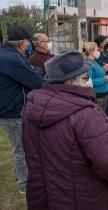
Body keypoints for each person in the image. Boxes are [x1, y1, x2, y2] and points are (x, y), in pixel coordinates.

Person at [22, 50, 108, 210]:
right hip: (85, 199)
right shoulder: (86, 114)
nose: (89, 82)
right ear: (70, 82)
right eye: (86, 77)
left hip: (45, 197)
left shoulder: (30, 108)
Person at [0, 26, 43, 193]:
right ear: (20, 42)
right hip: (12, 110)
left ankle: (27, 177)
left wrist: (35, 72)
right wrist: (35, 73)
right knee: (20, 148)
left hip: (16, 107)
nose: (28, 45)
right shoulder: (10, 58)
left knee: (25, 146)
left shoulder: (13, 55)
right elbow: (36, 81)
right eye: (27, 42)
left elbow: (33, 73)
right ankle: (24, 184)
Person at [94, 35, 108, 125]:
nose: (107, 43)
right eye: (105, 41)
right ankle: (102, 121)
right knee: (102, 103)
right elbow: (97, 65)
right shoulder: (95, 53)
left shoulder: (107, 52)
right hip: (102, 81)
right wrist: (104, 66)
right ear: (100, 43)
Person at [83, 42, 108, 113]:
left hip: (101, 94)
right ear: (91, 51)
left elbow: (96, 73)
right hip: (97, 95)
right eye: (97, 50)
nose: (98, 52)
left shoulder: (93, 61)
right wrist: (105, 79)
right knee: (98, 116)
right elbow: (89, 81)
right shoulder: (88, 63)